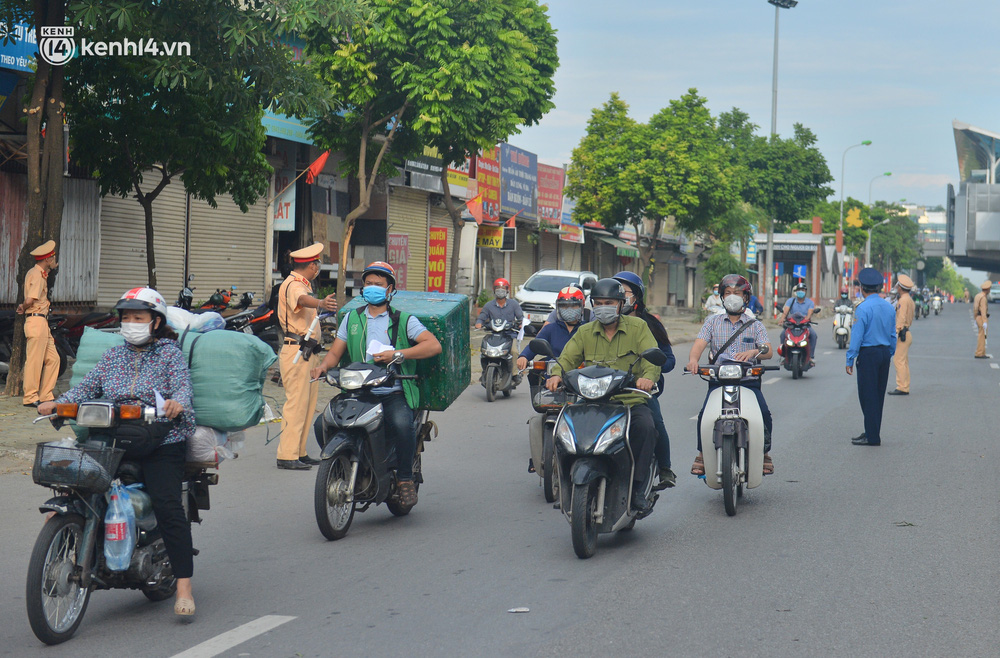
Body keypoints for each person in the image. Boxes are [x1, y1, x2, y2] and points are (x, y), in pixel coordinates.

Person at [38, 287, 198, 616]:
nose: (130, 323)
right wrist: (59, 402)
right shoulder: (113, 356)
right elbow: (86, 387)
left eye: (138, 318)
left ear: (155, 322)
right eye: (126, 318)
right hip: (114, 436)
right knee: (78, 485)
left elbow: (183, 385)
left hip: (161, 439)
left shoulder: (170, 353)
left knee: (168, 507)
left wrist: (176, 403)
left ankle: (184, 586)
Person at [311, 262, 442, 507]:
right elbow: (335, 353)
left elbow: (433, 345)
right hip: (357, 391)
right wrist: (323, 366)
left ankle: (404, 479)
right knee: (321, 425)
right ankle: (345, 463)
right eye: (368, 284)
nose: (372, 288)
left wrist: (398, 354)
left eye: (378, 285)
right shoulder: (351, 318)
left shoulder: (404, 320)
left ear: (390, 289)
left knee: (403, 425)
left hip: (390, 391)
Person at [545, 278, 660, 511]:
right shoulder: (585, 331)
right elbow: (567, 358)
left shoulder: (638, 328)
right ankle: (566, 484)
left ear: (620, 304)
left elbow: (651, 359)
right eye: (598, 303)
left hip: (628, 400)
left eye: (608, 302)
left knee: (646, 427)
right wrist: (556, 374)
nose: (603, 307)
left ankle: (637, 488)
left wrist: (647, 378)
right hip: (591, 401)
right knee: (564, 430)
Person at [686, 274, 775, 476]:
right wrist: (693, 360)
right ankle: (701, 454)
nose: (732, 296)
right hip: (719, 381)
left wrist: (754, 352)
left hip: (749, 381)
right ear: (721, 297)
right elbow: (699, 345)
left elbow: (768, 350)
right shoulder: (712, 322)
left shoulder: (755, 324)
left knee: (764, 415)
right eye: (728, 293)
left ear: (746, 297)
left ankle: (765, 453)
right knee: (704, 416)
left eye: (737, 293)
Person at [275, 243, 338, 470]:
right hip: (296, 351)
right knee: (296, 404)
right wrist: (320, 302)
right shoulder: (293, 285)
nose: (318, 267)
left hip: (308, 352)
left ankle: (299, 452)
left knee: (308, 404)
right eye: (317, 263)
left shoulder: (302, 283)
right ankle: (287, 455)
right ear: (312, 265)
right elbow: (301, 300)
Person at [613, 271, 677, 490]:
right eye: (615, 293)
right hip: (607, 390)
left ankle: (665, 469)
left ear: (636, 296)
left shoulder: (649, 325)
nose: (619, 297)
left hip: (639, 392)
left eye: (624, 292)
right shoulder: (599, 323)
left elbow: (669, 360)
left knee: (654, 424)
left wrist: (649, 375)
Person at [845, 268, 897, 446]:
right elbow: (892, 335)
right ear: (880, 287)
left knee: (867, 395)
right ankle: (871, 431)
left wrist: (850, 358)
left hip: (869, 355)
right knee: (878, 395)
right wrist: (889, 353)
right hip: (883, 353)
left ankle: (872, 437)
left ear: (861, 287)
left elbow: (857, 336)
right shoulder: (889, 307)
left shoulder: (863, 308)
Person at [16, 240, 60, 407]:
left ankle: (46, 395)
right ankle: (30, 397)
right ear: (48, 259)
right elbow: (30, 299)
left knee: (53, 359)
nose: (55, 260)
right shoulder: (37, 275)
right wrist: (23, 306)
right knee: (35, 360)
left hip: (42, 321)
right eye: (54, 257)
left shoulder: (39, 274)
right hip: (36, 320)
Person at [517, 286, 586, 385]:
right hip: (551, 379)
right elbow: (536, 344)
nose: (569, 309)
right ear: (558, 307)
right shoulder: (551, 329)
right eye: (564, 306)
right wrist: (524, 356)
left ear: (581, 307)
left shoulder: (586, 330)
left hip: (581, 380)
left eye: (573, 306)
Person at [888, 274, 915, 395]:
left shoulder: (903, 300)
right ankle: (905, 385)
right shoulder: (908, 299)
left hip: (902, 333)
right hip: (907, 332)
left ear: (900, 287)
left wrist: (896, 332)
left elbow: (901, 317)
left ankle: (902, 387)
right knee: (903, 361)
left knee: (898, 360)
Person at [780, 282, 817, 366]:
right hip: (792, 325)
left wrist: (806, 319)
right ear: (796, 292)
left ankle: (811, 356)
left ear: (805, 291)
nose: (801, 291)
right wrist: (782, 319)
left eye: (803, 290)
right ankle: (784, 356)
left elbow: (809, 313)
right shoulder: (791, 301)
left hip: (804, 325)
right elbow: (786, 311)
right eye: (799, 290)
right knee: (783, 334)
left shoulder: (810, 302)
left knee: (813, 335)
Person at [974, 280, 991, 358]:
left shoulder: (977, 295)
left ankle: (982, 352)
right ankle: (979, 353)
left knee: (981, 335)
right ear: (987, 289)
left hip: (977, 317)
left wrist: (975, 318)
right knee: (982, 336)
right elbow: (983, 311)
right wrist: (984, 321)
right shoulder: (983, 298)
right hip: (981, 318)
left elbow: (975, 308)